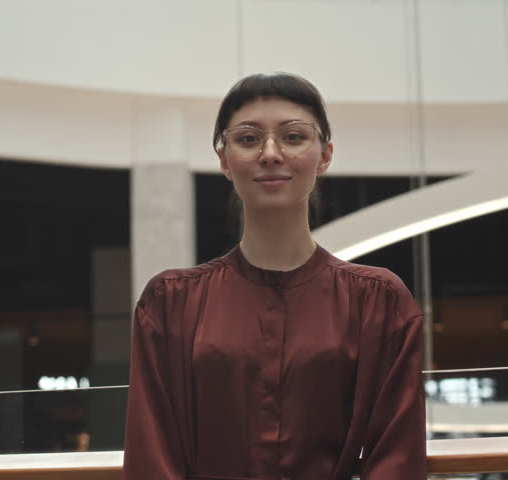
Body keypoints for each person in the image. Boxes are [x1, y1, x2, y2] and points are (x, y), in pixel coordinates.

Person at [123, 72, 426, 479]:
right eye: (248, 139)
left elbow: (396, 458)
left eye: (294, 137)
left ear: (325, 155)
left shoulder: (380, 301)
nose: (270, 153)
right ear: (224, 160)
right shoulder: (169, 302)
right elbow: (152, 458)